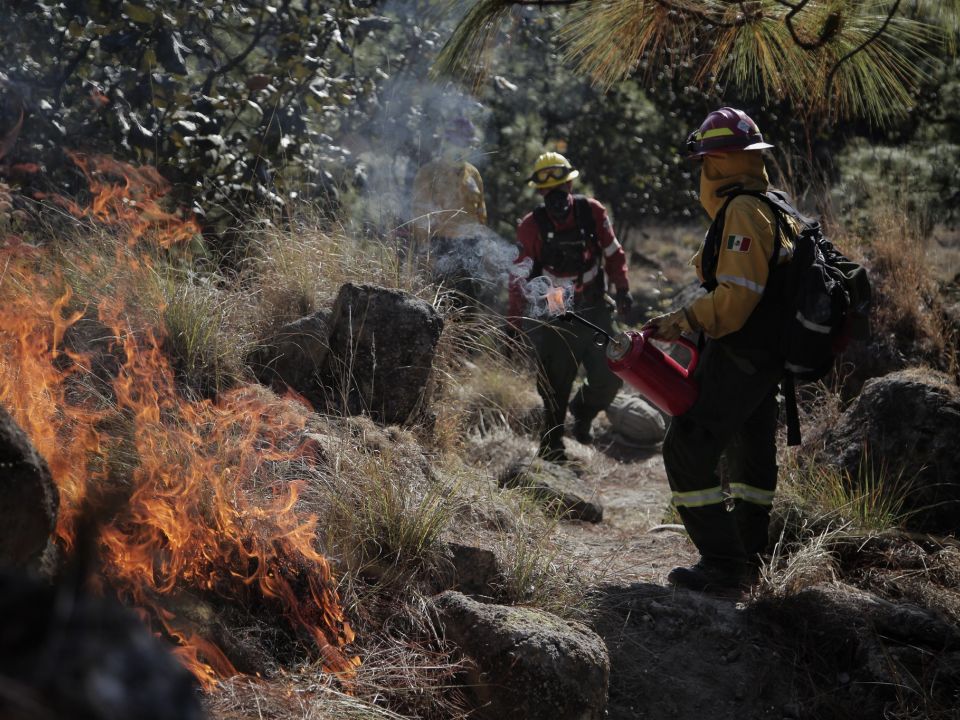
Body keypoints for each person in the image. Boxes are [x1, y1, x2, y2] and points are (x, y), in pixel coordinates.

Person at [643, 107, 801, 593]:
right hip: (766, 356)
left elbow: (734, 302)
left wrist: (683, 321)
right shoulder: (774, 204)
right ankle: (752, 556)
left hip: (742, 353)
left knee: (687, 446)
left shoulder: (743, 212)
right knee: (751, 454)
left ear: (721, 163)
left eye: (707, 163)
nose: (704, 174)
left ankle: (723, 564)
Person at [509, 152, 632, 462]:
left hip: (595, 308)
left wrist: (624, 290)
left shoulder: (592, 212)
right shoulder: (530, 227)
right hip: (557, 313)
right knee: (553, 384)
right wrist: (513, 323)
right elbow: (519, 277)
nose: (556, 195)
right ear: (539, 191)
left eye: (561, 186)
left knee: (611, 375)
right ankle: (552, 445)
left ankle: (583, 411)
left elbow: (614, 254)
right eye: (548, 190)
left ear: (571, 184)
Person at [411, 115, 487, 296]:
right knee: (440, 301)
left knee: (467, 305)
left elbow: (481, 214)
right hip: (440, 247)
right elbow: (420, 216)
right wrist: (425, 252)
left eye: (465, 144)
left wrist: (481, 249)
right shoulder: (428, 173)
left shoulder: (473, 174)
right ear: (445, 142)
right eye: (456, 142)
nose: (461, 149)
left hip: (470, 248)